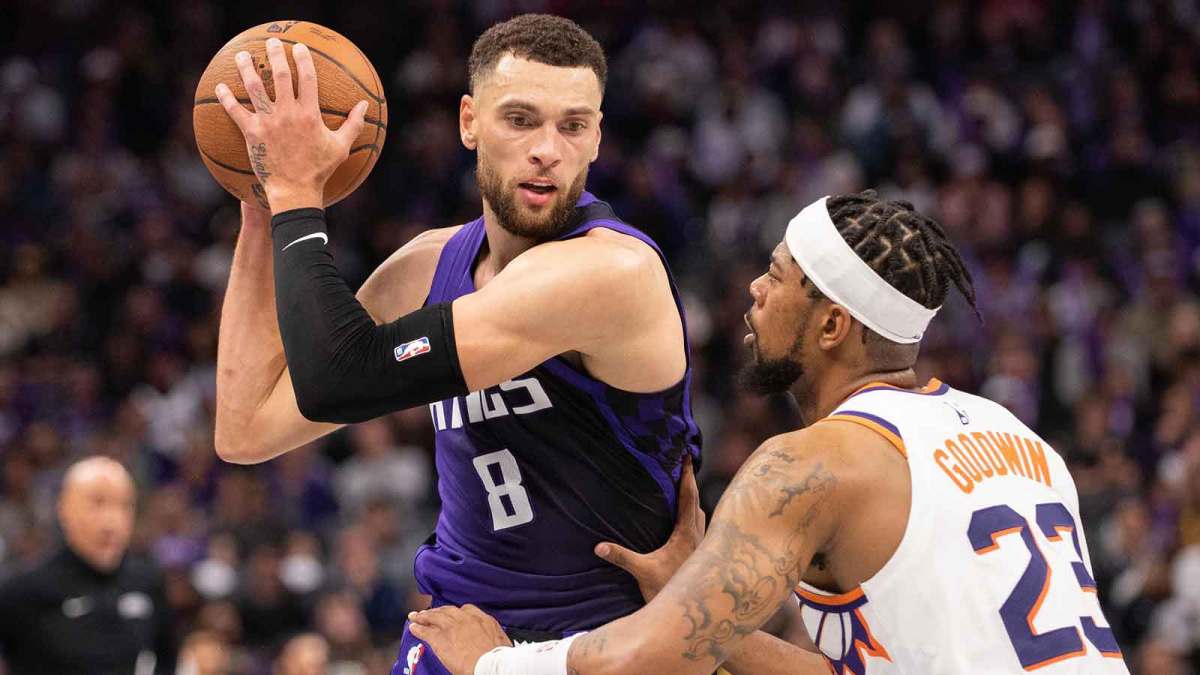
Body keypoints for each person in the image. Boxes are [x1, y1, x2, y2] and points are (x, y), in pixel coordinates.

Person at [407, 192, 1132, 675]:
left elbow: (651, 661)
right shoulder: (1022, 442)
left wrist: (492, 664)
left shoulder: (809, 465)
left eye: (778, 276)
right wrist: (693, 600)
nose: (755, 287)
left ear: (832, 325)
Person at [209, 13, 701, 674]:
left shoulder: (610, 272)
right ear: (468, 122)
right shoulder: (427, 264)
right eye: (520, 119)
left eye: (572, 125)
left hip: (597, 646)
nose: (547, 149)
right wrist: (261, 197)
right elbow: (246, 428)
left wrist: (298, 191)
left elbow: (336, 382)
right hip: (453, 629)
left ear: (597, 138)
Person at [0, 456, 176, 674]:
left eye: (124, 505)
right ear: (64, 509)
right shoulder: (22, 592)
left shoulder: (147, 582)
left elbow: (167, 659)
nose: (111, 521)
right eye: (97, 503)